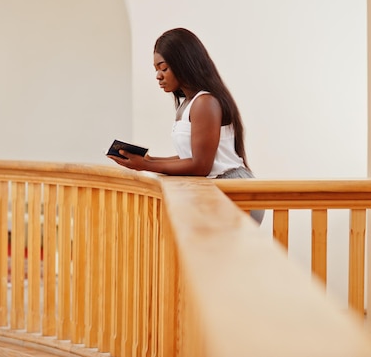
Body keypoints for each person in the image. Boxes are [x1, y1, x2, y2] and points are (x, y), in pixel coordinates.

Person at [108, 27, 264, 224]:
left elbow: (201, 165)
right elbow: (190, 157)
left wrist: (147, 165)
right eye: (156, 69)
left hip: (235, 189)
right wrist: (149, 160)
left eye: (163, 68)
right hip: (216, 190)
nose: (158, 75)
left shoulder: (205, 102)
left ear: (183, 63)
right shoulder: (186, 105)